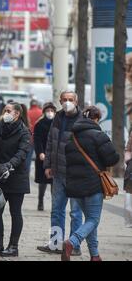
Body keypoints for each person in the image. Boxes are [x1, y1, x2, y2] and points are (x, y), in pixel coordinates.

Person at [62, 106, 119, 261]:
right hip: (93, 185)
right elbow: (112, 159)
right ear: (96, 119)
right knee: (94, 220)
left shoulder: (72, 137)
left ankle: (95, 256)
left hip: (75, 186)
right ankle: (72, 242)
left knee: (89, 221)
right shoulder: (99, 136)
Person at [37, 90, 83, 255]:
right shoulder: (57, 117)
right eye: (64, 99)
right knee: (57, 210)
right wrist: (48, 165)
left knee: (76, 212)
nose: (67, 102)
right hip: (58, 173)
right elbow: (50, 142)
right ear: (60, 101)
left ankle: (74, 246)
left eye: (70, 99)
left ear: (76, 102)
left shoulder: (82, 120)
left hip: (76, 174)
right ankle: (56, 244)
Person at [0, 102, 31, 257]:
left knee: (15, 212)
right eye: (4, 110)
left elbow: (22, 153)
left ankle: (13, 246)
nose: (5, 113)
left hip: (17, 177)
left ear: (17, 114)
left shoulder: (24, 132)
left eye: (8, 111)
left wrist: (9, 165)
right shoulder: (0, 128)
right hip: (0, 176)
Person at [33, 102, 57, 211]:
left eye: (52, 111)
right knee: (42, 181)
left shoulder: (57, 124)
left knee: (54, 182)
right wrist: (40, 152)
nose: (50, 113)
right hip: (42, 156)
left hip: (55, 157)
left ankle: (54, 204)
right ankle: (40, 201)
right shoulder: (39, 124)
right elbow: (37, 140)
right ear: (44, 112)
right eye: (48, 111)